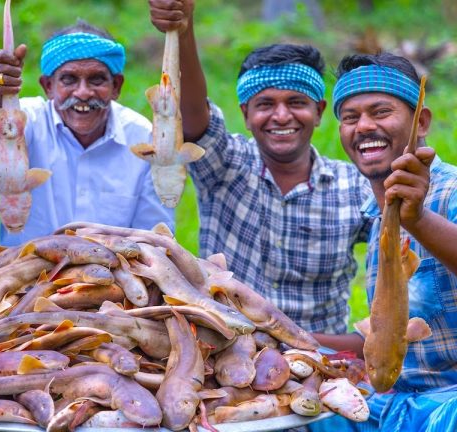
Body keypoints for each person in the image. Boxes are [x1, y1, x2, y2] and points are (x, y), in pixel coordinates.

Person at [148, 0, 371, 334]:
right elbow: (192, 113)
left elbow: (402, 250)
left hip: (322, 353)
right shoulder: (225, 164)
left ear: (320, 112)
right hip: (228, 344)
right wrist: (184, 29)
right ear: (245, 114)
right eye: (265, 104)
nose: (281, 116)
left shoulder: (353, 186)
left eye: (296, 103)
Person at [311, 52, 457, 432]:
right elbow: (385, 336)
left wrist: (419, 220)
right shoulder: (376, 215)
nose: (364, 126)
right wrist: (294, 339)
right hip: (393, 404)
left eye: (380, 112)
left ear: (420, 122)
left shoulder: (452, 190)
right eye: (350, 117)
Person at [0, 19, 174, 246]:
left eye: (96, 80)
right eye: (69, 79)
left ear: (116, 86)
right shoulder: (25, 119)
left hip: (115, 267)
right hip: (28, 267)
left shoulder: (144, 138)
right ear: (48, 86)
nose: (83, 93)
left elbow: (153, 237)